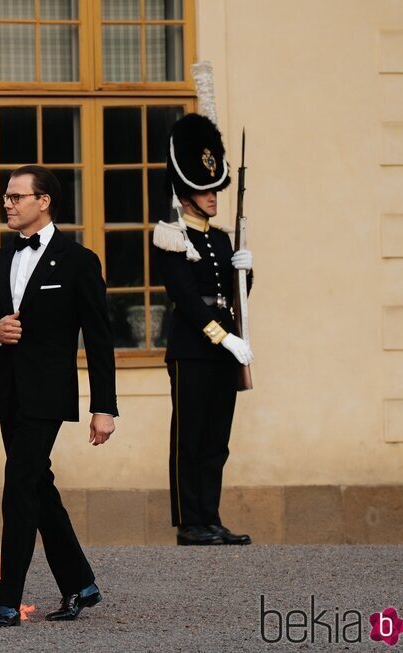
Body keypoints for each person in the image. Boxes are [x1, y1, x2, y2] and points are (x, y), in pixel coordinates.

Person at [0, 165, 119, 628]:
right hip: (8, 392)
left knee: (18, 488)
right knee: (36, 485)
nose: (8, 203)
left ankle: (7, 601)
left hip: (48, 395)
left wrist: (104, 406)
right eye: (6, 196)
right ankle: (80, 581)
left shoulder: (79, 260)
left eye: (16, 196)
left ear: (44, 201)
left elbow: (99, 337)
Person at [152, 113, 254, 546]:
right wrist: (223, 336)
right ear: (185, 194)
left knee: (217, 439)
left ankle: (210, 516)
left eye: (214, 189)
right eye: (203, 190)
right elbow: (187, 300)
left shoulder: (221, 238)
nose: (213, 196)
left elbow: (234, 295)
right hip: (193, 348)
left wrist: (247, 273)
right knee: (189, 438)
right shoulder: (171, 235)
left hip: (224, 349)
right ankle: (189, 521)